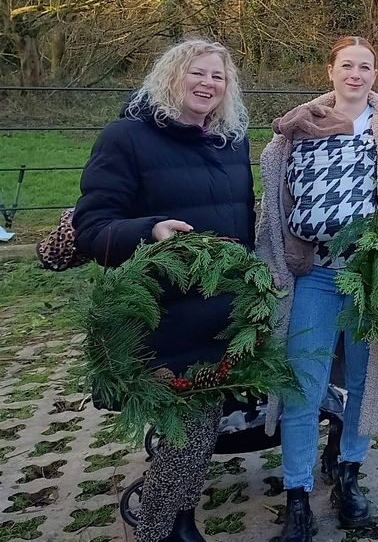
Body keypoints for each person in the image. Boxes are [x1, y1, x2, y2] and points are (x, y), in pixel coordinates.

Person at [74, 40, 255, 542]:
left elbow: (243, 223)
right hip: (164, 313)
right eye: (197, 73)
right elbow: (92, 228)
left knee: (200, 429)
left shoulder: (230, 141)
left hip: (223, 315)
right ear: (170, 77)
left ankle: (177, 521)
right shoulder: (126, 139)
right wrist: (148, 230)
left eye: (217, 77)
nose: (207, 84)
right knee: (187, 430)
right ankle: (158, 527)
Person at [256, 37, 378, 542]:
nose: (356, 74)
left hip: (375, 278)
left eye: (365, 66)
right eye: (347, 65)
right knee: (302, 386)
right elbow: (273, 205)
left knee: (367, 383)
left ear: (376, 74)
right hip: (315, 276)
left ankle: (349, 475)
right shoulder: (294, 129)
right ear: (330, 70)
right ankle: (298, 494)